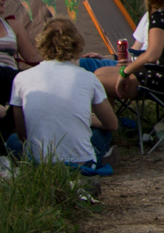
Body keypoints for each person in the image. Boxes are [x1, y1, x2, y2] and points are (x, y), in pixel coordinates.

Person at [10, 19, 116, 173]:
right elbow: (112, 124)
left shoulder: (21, 78)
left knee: (13, 140)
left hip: (40, 163)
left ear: (41, 42)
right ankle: (100, 156)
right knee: (102, 133)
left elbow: (22, 133)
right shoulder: (88, 77)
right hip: (81, 163)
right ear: (76, 43)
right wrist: (88, 119)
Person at [0, 0, 42, 141]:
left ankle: (3, 138)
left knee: (27, 84)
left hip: (11, 79)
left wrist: (60, 60)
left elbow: (32, 57)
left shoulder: (12, 25)